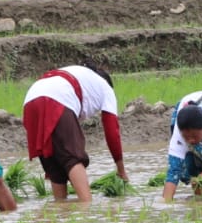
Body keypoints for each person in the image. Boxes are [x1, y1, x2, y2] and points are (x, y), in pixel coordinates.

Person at [22, 61, 125, 204]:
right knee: (73, 158)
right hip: (56, 99)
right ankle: (86, 205)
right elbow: (112, 131)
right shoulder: (106, 88)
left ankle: (60, 208)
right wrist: (121, 171)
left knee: (54, 162)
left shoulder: (79, 74)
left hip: (30, 100)